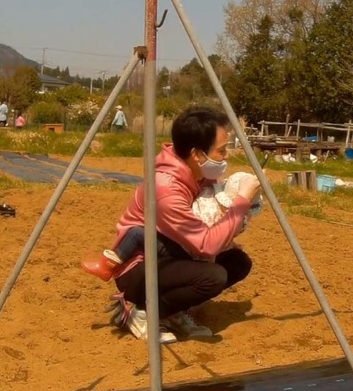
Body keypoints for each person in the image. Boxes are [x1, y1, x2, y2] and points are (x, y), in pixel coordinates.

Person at [105, 106, 261, 343]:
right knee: (213, 276)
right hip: (139, 266)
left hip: (168, 254)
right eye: (221, 151)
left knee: (237, 263)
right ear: (197, 154)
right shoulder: (167, 188)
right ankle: (139, 310)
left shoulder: (196, 174)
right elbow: (206, 245)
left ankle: (172, 312)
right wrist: (242, 202)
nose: (226, 156)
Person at [84, 172, 263, 282]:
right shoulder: (237, 217)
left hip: (188, 249)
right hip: (191, 247)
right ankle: (112, 262)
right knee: (138, 233)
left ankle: (108, 265)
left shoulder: (211, 209)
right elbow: (223, 237)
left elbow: (210, 241)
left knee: (137, 233)